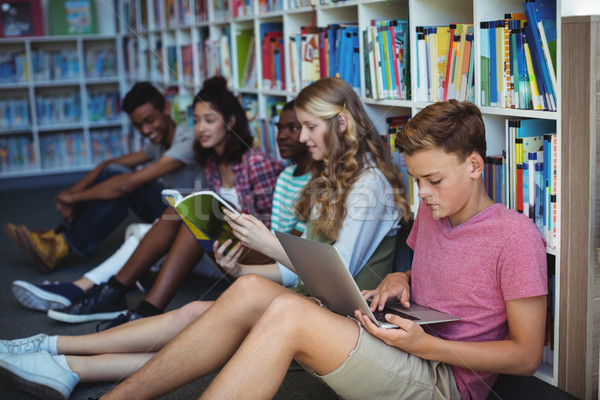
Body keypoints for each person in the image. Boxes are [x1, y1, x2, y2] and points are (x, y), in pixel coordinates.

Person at [95, 99, 545, 399]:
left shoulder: (514, 235)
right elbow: (439, 273)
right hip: (405, 344)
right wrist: (399, 278)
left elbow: (525, 357)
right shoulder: (433, 211)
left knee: (289, 314)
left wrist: (429, 347)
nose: (422, 193)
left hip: (445, 380)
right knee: (252, 289)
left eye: (434, 180)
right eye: (416, 179)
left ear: (473, 166)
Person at [0, 77, 409, 400]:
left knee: (204, 327)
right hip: (310, 300)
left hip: (339, 318)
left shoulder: (370, 184)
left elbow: (338, 272)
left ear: (341, 123)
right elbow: (296, 274)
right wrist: (247, 265)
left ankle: (64, 359)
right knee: (199, 314)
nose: (301, 138)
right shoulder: (330, 174)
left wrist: (267, 243)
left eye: (309, 127)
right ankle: (57, 350)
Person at [10, 99, 311, 312]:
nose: (200, 128)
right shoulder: (223, 164)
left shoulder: (259, 165)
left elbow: (269, 230)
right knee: (162, 223)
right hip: (229, 248)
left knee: (174, 219)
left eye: (209, 120)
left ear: (230, 122)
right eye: (195, 121)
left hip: (249, 251)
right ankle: (97, 288)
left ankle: (104, 292)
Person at [3, 82, 200, 272]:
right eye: (138, 126)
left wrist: (75, 198)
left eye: (150, 121)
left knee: (127, 185)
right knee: (113, 172)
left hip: (189, 219)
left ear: (166, 108)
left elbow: (128, 184)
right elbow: (106, 165)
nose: (146, 131)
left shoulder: (187, 142)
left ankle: (62, 244)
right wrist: (72, 191)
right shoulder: (158, 144)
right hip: (168, 211)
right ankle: (57, 237)